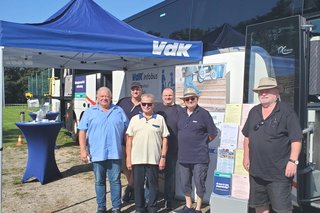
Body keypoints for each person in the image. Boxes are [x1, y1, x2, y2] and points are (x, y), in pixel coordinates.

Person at [242, 77, 303, 213]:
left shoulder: (287, 112)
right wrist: (246, 157)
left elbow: (296, 139)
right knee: (260, 206)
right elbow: (247, 137)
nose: (263, 94)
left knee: (282, 209)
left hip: (279, 173)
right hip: (256, 171)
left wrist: (293, 161)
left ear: (276, 92)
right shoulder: (254, 112)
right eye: (261, 91)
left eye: (267, 90)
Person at [78, 87, 129, 213]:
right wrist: (83, 150)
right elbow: (82, 131)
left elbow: (128, 132)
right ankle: (101, 207)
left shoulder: (118, 111)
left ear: (111, 97)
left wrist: (128, 149)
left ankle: (116, 207)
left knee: (115, 181)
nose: (104, 98)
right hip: (97, 153)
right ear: (97, 98)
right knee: (99, 181)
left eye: (107, 96)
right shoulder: (90, 112)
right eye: (102, 96)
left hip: (115, 153)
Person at [176, 87, 218, 213]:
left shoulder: (204, 113)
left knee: (199, 183)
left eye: (192, 98)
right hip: (183, 156)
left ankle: (198, 208)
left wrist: (201, 143)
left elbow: (213, 133)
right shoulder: (181, 113)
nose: (190, 100)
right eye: (187, 99)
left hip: (199, 157)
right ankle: (188, 206)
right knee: (185, 183)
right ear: (184, 101)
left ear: (197, 99)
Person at [126, 93, 169, 213]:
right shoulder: (134, 119)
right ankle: (139, 208)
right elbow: (129, 140)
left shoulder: (159, 119)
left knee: (153, 186)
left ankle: (152, 208)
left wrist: (163, 157)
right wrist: (128, 158)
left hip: (153, 159)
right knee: (138, 186)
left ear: (153, 105)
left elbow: (165, 139)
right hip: (137, 159)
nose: (146, 106)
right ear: (140, 104)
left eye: (149, 104)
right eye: (144, 104)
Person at [154, 87, 181, 210]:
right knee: (152, 176)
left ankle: (168, 200)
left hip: (172, 148)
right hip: (155, 148)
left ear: (173, 96)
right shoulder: (155, 108)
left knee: (169, 177)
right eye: (165, 95)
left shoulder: (179, 110)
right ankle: (151, 200)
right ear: (161, 96)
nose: (168, 97)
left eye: (170, 95)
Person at [117, 81, 143, 202]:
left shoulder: (144, 104)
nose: (135, 91)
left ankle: (130, 190)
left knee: (136, 167)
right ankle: (131, 186)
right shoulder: (123, 102)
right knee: (126, 167)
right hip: (123, 141)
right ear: (131, 91)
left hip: (138, 143)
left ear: (141, 90)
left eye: (137, 89)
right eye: (133, 89)